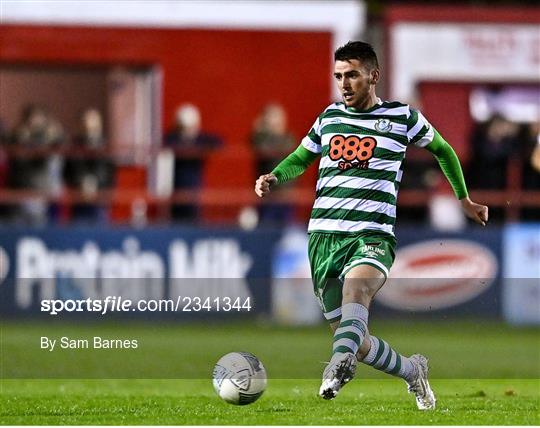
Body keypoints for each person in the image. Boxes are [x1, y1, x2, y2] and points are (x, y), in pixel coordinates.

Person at [255, 41, 488, 410]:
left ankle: (336, 365)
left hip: (371, 235)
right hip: (323, 238)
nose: (344, 84)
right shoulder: (329, 118)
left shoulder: (402, 118)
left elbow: (443, 149)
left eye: (352, 75)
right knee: (354, 337)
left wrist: (464, 199)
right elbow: (301, 157)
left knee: (356, 291)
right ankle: (412, 371)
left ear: (373, 76)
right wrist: (276, 175)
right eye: (338, 77)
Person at [164, 103, 222, 221]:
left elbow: (218, 142)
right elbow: (167, 142)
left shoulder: (200, 139)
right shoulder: (173, 138)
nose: (187, 130)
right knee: (177, 216)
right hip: (177, 186)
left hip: (194, 186)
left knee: (193, 216)